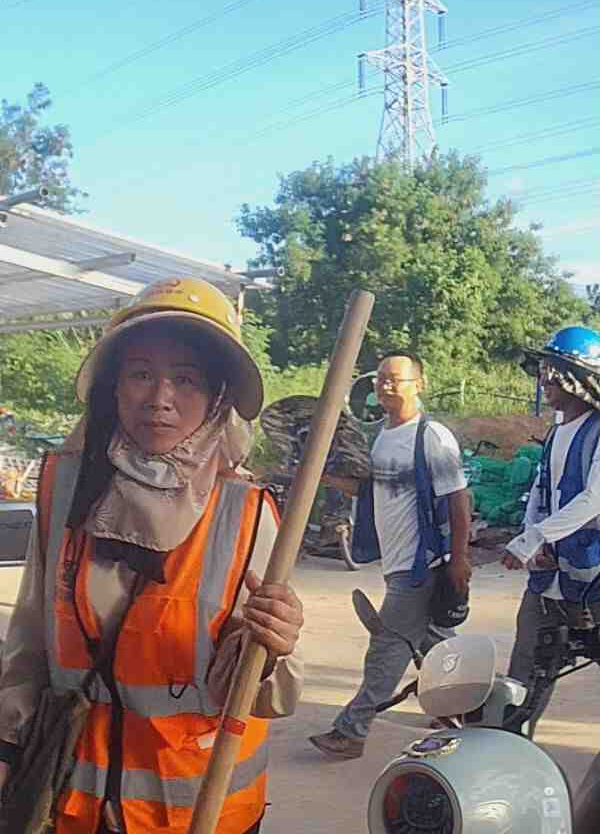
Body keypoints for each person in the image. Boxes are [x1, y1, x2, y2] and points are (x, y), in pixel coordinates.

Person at [0, 277, 304, 834]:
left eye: (185, 379)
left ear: (217, 396)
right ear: (113, 388)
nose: (159, 398)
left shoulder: (245, 513)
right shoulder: (65, 490)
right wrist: (6, 743)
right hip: (72, 805)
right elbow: (31, 636)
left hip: (197, 812)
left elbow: (262, 690)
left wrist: (273, 647)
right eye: (140, 374)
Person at [310, 351, 471, 760]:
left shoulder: (431, 437)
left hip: (421, 564)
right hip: (395, 560)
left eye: (394, 379)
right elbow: (370, 491)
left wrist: (459, 559)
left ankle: (351, 730)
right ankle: (464, 710)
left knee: (388, 645)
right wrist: (321, 475)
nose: (384, 385)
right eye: (379, 378)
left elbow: (458, 498)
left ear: (420, 384)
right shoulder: (381, 436)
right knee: (436, 645)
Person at [502, 324, 600, 736]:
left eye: (552, 371)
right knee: (523, 675)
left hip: (593, 581)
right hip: (550, 580)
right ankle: (509, 743)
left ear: (578, 379)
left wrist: (536, 538)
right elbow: (541, 491)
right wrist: (532, 539)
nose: (543, 379)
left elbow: (594, 499)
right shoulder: (556, 432)